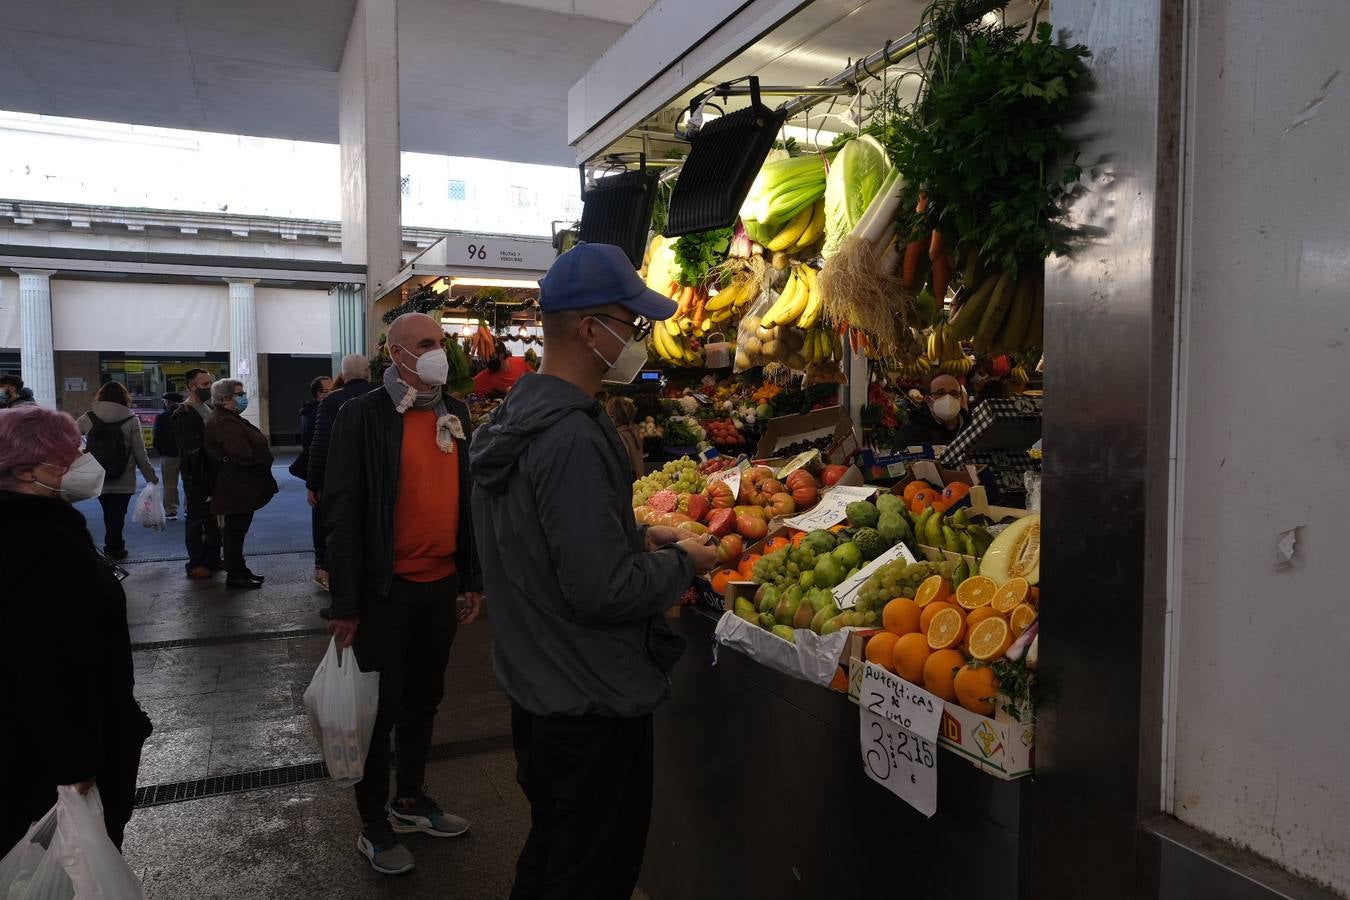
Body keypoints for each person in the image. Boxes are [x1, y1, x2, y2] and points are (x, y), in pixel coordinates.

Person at [470, 243, 719, 900]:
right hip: (591, 703)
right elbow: (600, 590)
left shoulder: (516, 421)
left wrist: (635, 534)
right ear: (589, 330)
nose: (635, 339)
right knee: (591, 878)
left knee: (552, 855)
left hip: (540, 690)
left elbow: (538, 539)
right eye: (629, 324)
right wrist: (677, 564)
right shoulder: (575, 435)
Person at [320, 314, 483, 876]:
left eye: (441, 342)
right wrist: (345, 602)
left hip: (439, 585)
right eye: (425, 344)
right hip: (385, 590)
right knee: (379, 711)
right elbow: (342, 512)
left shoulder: (454, 414)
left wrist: (472, 577)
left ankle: (411, 801)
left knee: (424, 701)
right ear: (396, 354)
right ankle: (374, 824)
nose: (439, 352)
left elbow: (467, 503)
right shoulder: (362, 416)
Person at [0, 404, 153, 851]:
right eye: (74, 453)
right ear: (30, 469)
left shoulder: (31, 527)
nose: (85, 461)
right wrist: (76, 764)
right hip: (49, 763)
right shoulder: (41, 544)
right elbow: (49, 665)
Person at [204, 378, 277, 589]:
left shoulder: (229, 418)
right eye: (240, 394)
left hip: (239, 484)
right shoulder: (224, 421)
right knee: (235, 532)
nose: (244, 398)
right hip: (236, 485)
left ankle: (239, 569)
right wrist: (259, 466)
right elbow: (241, 452)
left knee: (237, 531)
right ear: (225, 398)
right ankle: (235, 573)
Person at [306, 354, 370, 590]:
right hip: (377, 476)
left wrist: (313, 483)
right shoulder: (384, 397)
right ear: (368, 373)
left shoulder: (332, 401)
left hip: (342, 478)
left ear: (343, 375)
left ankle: (342, 585)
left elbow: (320, 443)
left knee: (342, 531)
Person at [77, 381, 158, 561]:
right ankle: (114, 546)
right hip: (124, 476)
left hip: (98, 475)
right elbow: (139, 452)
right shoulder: (131, 419)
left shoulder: (89, 416)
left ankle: (112, 544)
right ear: (124, 397)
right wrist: (150, 476)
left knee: (107, 512)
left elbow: (70, 435)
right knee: (117, 514)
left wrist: (81, 455)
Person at [172, 368, 222, 578]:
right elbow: (190, 449)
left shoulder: (206, 408)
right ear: (191, 386)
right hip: (197, 475)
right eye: (204, 385)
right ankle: (196, 562)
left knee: (212, 518)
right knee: (196, 518)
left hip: (211, 472)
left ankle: (211, 557)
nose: (208, 388)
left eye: (210, 383)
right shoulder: (184, 412)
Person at [290, 375, 334, 581]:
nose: (333, 393)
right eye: (328, 390)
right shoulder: (316, 414)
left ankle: (322, 562)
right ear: (319, 394)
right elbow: (315, 449)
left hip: (319, 475)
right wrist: (313, 483)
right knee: (321, 519)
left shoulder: (312, 411)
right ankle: (321, 563)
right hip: (321, 475)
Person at [893, 373, 972, 448]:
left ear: (961, 399)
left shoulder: (972, 426)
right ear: (928, 400)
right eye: (940, 393)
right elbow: (898, 461)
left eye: (954, 393)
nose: (948, 398)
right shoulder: (910, 433)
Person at [153, 391, 184, 520]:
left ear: (168, 402)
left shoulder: (162, 417)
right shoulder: (187, 416)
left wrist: (161, 452)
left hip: (168, 455)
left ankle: (171, 510)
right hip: (187, 454)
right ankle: (190, 508)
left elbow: (156, 438)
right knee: (190, 482)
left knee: (170, 484)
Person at [607, 395, 644, 480]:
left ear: (613, 417)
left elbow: (620, 468)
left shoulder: (619, 437)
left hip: (627, 484)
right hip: (638, 481)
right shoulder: (633, 432)